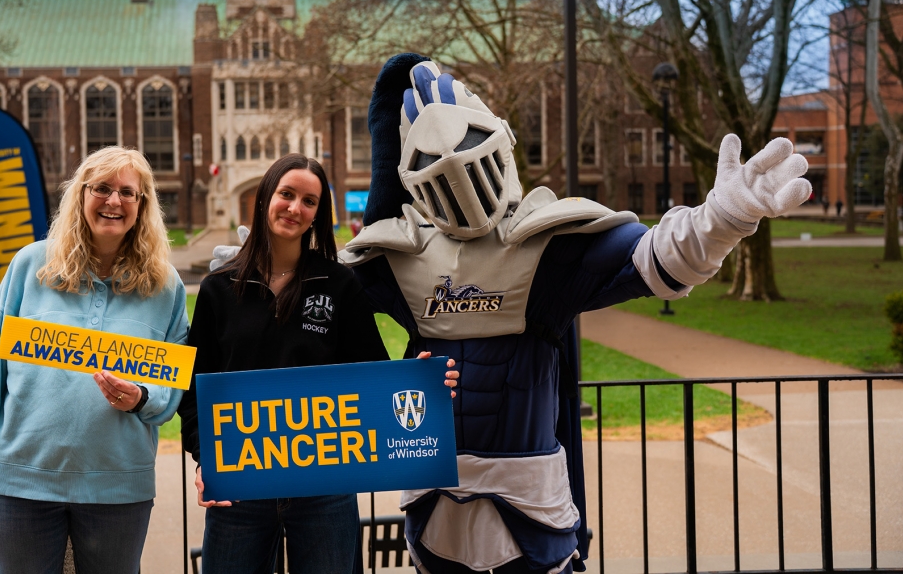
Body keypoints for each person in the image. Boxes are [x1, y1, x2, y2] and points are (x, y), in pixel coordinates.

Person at [339, 55, 812, 573]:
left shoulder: (547, 244)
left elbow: (652, 260)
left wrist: (723, 218)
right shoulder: (397, 257)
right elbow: (313, 300)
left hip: (527, 502)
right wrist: (252, 270)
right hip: (435, 499)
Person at [178, 154, 458, 574]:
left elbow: (372, 377)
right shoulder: (220, 289)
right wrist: (206, 460)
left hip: (325, 489)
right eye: (286, 194)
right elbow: (193, 388)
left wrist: (417, 381)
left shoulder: (339, 284)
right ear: (263, 198)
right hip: (239, 486)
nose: (295, 208)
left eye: (309, 201)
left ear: (317, 215)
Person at [0, 146, 188, 573]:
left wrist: (141, 396)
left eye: (128, 193)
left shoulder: (165, 286)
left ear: (142, 205)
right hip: (20, 488)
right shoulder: (29, 266)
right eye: (102, 188)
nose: (114, 201)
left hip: (119, 491)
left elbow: (173, 388)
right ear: (81, 195)